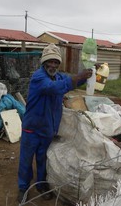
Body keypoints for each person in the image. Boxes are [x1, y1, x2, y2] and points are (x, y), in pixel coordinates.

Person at [17, 43, 93, 203]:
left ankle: (41, 185)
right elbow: (54, 88)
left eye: (56, 62)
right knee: (26, 159)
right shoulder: (39, 78)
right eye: (49, 62)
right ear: (43, 63)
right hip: (32, 128)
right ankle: (23, 188)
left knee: (43, 159)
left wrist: (87, 74)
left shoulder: (59, 77)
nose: (52, 65)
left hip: (47, 129)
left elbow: (72, 81)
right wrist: (77, 77)